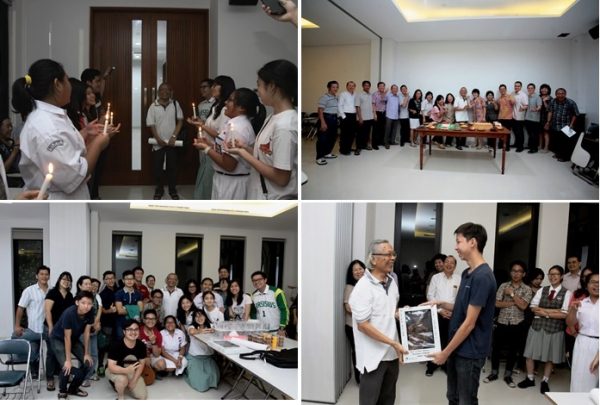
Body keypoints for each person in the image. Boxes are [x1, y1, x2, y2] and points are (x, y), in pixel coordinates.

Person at [12, 59, 118, 199]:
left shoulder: (54, 116)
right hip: (58, 207)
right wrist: (99, 143)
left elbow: (65, 149)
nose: (71, 86)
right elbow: (73, 174)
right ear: (57, 84)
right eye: (67, 80)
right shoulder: (46, 126)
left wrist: (84, 133)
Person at [427, 223, 497, 405]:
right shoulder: (467, 273)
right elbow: (460, 308)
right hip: (457, 347)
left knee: (466, 400)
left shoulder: (483, 277)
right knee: (453, 397)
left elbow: (469, 323)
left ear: (472, 242)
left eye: (459, 242)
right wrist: (440, 303)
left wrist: (445, 352)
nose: (456, 247)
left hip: (470, 352)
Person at [225, 60, 297, 199]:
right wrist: (245, 148)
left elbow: (281, 178)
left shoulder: (285, 126)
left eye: (259, 85)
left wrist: (242, 154)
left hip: (275, 199)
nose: (257, 90)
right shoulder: (273, 117)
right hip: (260, 193)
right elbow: (268, 158)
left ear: (272, 86)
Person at [348, 240, 407, 405]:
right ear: (373, 259)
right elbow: (363, 325)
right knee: (369, 401)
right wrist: (393, 343)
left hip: (392, 355)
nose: (392, 258)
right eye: (387, 254)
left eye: (393, 254)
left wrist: (402, 314)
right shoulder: (363, 287)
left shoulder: (392, 282)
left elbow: (388, 312)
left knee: (388, 400)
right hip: (373, 358)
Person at [193, 88, 265, 199]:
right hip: (225, 180)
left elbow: (229, 165)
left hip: (233, 183)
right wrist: (211, 145)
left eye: (230, 100)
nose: (226, 102)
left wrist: (207, 149)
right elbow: (225, 150)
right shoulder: (232, 124)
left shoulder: (238, 128)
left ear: (241, 108)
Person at [518, 265, 572, 394]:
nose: (553, 277)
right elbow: (533, 307)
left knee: (550, 356)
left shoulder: (567, 293)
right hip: (537, 326)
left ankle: (545, 381)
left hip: (555, 329)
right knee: (529, 354)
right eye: (550, 274)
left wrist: (545, 312)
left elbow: (564, 314)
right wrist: (555, 311)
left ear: (562, 276)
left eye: (556, 274)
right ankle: (530, 378)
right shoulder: (542, 290)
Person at [484, 260, 533, 388]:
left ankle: (508, 375)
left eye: (519, 271)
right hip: (502, 321)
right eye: (513, 271)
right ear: (510, 272)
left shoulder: (527, 289)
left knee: (513, 350)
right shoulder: (503, 286)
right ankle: (494, 373)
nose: (516, 274)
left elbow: (523, 306)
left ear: (524, 274)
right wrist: (513, 302)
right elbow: (496, 303)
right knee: (496, 349)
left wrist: (511, 294)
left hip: (517, 323)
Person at [189, 75, 235, 199]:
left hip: (216, 150)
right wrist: (200, 123)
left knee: (208, 182)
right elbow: (210, 126)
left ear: (224, 88)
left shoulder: (226, 109)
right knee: (204, 180)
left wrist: (202, 125)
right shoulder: (216, 106)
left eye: (215, 85)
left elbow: (221, 135)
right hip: (208, 147)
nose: (212, 88)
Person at [49, 290, 95, 399]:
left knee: (88, 363)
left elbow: (87, 332)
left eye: (89, 303)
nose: (86, 306)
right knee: (66, 366)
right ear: (77, 302)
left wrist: (87, 353)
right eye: (83, 303)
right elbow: (66, 337)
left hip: (73, 339)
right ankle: (62, 391)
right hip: (58, 339)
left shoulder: (91, 312)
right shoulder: (69, 313)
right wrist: (68, 360)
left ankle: (73, 388)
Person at [146, 82, 183, 200]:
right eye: (162, 89)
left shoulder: (175, 104)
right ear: (158, 92)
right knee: (157, 168)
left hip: (172, 143)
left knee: (173, 167)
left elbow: (180, 121)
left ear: (171, 92)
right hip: (158, 143)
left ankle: (172, 190)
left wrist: (174, 137)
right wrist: (157, 138)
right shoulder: (153, 106)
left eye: (167, 89)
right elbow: (151, 124)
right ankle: (159, 190)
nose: (165, 92)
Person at [12, 265, 50, 380]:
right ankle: (34, 372)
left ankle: (51, 372)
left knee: (52, 350)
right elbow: (20, 308)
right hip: (35, 328)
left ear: (49, 276)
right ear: (36, 276)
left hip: (49, 327)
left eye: (46, 274)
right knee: (33, 349)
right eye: (41, 274)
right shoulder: (29, 290)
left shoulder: (53, 290)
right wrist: (17, 325)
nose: (44, 276)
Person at [425, 255, 460, 377]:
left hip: (452, 314)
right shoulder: (436, 278)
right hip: (437, 313)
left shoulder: (459, 279)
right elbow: (430, 295)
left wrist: (453, 311)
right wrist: (440, 310)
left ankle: (446, 365)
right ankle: (431, 365)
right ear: (443, 264)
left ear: (455, 266)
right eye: (447, 262)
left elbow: (460, 299)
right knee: (435, 340)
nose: (449, 264)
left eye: (452, 263)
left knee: (449, 340)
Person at [566, 271, 599, 392]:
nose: (597, 285)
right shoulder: (581, 303)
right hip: (583, 342)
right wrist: (573, 311)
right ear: (586, 285)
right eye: (594, 282)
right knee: (579, 378)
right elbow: (570, 323)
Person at [44, 271, 74, 391]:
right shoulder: (52, 293)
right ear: (59, 280)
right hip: (51, 327)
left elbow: (71, 312)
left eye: (68, 280)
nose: (66, 282)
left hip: (64, 328)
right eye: (64, 279)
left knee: (61, 351)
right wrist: (51, 327)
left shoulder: (70, 295)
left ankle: (63, 373)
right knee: (51, 352)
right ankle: (50, 378)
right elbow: (47, 311)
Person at [106, 319, 149, 400]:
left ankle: (126, 383)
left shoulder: (141, 345)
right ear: (124, 332)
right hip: (115, 370)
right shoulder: (115, 345)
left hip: (132, 371)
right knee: (122, 380)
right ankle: (120, 397)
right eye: (129, 329)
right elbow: (111, 367)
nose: (133, 332)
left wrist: (134, 380)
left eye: (136, 329)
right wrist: (126, 371)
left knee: (142, 396)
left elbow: (142, 363)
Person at [185, 309, 220, 392]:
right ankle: (188, 370)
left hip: (208, 358)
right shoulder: (192, 326)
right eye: (196, 316)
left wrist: (215, 332)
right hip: (195, 357)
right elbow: (192, 332)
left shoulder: (211, 326)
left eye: (201, 315)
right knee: (201, 385)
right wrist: (200, 331)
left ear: (205, 316)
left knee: (214, 380)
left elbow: (219, 333)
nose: (199, 318)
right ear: (194, 318)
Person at [75, 276, 101, 387]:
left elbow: (98, 310)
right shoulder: (77, 298)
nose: (89, 286)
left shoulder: (94, 296)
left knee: (94, 354)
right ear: (80, 285)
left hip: (93, 328)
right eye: (86, 284)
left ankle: (89, 374)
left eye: (90, 284)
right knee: (85, 354)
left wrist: (97, 323)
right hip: (82, 331)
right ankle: (83, 377)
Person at [343, 259, 366, 384]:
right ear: (351, 273)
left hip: (366, 326)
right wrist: (366, 311)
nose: (358, 271)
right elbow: (348, 308)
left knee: (365, 351)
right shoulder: (350, 287)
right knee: (357, 352)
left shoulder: (368, 285)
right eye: (355, 270)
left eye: (360, 268)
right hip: (352, 327)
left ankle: (366, 376)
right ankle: (359, 378)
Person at [193, 78, 216, 199]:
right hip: (202, 137)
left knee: (210, 168)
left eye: (205, 87)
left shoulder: (217, 104)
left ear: (212, 88)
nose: (202, 90)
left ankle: (208, 195)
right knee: (203, 166)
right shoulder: (201, 104)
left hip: (212, 139)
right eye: (201, 87)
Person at [545, 88, 579, 162]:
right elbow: (550, 112)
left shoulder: (571, 102)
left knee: (567, 142)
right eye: (558, 93)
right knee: (557, 141)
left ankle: (566, 157)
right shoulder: (553, 101)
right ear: (556, 94)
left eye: (562, 93)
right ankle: (558, 154)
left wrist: (571, 124)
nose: (560, 95)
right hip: (555, 125)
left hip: (567, 126)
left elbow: (575, 114)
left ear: (565, 94)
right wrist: (548, 122)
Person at [250, 271, 289, 335]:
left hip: (276, 330)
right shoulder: (253, 295)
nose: (256, 282)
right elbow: (253, 313)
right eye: (254, 280)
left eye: (259, 279)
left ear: (265, 280)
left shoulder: (277, 292)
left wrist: (282, 328)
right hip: (261, 331)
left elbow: (284, 310)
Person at [98, 271, 118, 377]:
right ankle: (100, 366)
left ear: (115, 279)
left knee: (114, 346)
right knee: (103, 346)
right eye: (107, 278)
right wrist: (109, 311)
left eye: (112, 278)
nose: (110, 280)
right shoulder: (102, 294)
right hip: (107, 324)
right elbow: (101, 310)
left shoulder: (119, 290)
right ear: (104, 280)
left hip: (118, 323)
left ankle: (109, 367)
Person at [114, 270, 144, 339]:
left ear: (134, 280)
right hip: (121, 322)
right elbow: (120, 311)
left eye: (131, 279)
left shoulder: (138, 293)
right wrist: (135, 308)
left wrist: (125, 307)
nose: (129, 281)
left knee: (135, 341)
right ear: (123, 280)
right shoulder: (118, 293)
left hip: (134, 323)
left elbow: (140, 309)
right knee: (121, 341)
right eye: (127, 279)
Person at [315, 80, 339, 165]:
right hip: (326, 118)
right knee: (322, 139)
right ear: (329, 88)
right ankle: (319, 157)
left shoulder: (336, 97)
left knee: (332, 137)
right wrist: (322, 122)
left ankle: (327, 153)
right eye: (333, 87)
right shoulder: (324, 97)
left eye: (336, 87)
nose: (335, 89)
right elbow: (320, 110)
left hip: (334, 119)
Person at [139, 309, 167, 374]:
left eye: (153, 319)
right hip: (139, 354)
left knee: (162, 365)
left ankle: (152, 370)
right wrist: (145, 357)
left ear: (156, 320)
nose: (150, 321)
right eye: (148, 318)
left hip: (152, 354)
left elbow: (157, 354)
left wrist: (153, 342)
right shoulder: (138, 330)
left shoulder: (158, 334)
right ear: (144, 320)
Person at [0, 116, 21, 187]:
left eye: (11, 126)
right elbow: (3, 169)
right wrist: (15, 151)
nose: (11, 129)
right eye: (8, 126)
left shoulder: (10, 142)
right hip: (8, 184)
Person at [337, 81, 357, 156]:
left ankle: (348, 148)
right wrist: (343, 117)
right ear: (347, 86)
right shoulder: (343, 94)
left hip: (353, 115)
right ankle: (343, 150)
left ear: (354, 87)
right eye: (349, 85)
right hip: (345, 115)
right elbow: (339, 105)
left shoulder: (355, 94)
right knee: (344, 134)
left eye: (353, 86)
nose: (351, 87)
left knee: (351, 133)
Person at [355, 80, 375, 154]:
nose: (367, 87)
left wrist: (374, 115)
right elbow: (357, 107)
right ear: (363, 86)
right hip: (362, 118)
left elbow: (372, 105)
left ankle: (364, 145)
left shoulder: (371, 95)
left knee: (366, 133)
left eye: (368, 85)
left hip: (369, 117)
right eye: (365, 85)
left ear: (370, 86)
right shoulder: (359, 95)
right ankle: (358, 148)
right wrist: (360, 118)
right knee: (360, 134)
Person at [511, 81, 529, 152]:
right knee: (515, 131)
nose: (516, 87)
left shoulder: (523, 95)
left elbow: (526, 105)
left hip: (520, 117)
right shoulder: (513, 94)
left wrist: (522, 108)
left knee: (520, 132)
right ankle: (516, 144)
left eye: (518, 86)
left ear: (521, 87)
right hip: (513, 116)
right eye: (515, 86)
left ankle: (520, 146)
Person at [525, 83, 542, 154]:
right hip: (527, 118)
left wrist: (536, 109)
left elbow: (540, 106)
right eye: (528, 88)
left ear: (534, 89)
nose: (530, 89)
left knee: (534, 134)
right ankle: (530, 146)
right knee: (530, 134)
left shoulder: (538, 97)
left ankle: (534, 148)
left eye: (531, 88)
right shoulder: (527, 96)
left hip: (535, 119)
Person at [497, 84, 515, 151]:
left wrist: (510, 99)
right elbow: (498, 105)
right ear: (499, 90)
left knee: (507, 133)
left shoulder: (510, 96)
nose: (502, 90)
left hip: (508, 117)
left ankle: (507, 147)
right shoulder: (499, 98)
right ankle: (501, 145)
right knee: (500, 132)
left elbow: (514, 103)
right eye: (501, 89)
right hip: (501, 117)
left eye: (503, 89)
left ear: (506, 89)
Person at [371, 82, 387, 150]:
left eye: (383, 86)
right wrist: (374, 114)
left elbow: (384, 101)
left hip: (383, 113)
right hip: (377, 112)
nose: (382, 87)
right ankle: (374, 144)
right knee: (375, 129)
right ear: (378, 87)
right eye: (380, 86)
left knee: (382, 128)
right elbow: (373, 104)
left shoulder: (385, 94)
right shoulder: (375, 94)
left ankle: (380, 142)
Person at [538, 84, 552, 153]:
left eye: (545, 88)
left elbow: (548, 109)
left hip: (546, 118)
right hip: (538, 117)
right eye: (542, 88)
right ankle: (540, 146)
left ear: (548, 90)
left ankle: (546, 148)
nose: (544, 90)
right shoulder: (539, 97)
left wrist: (544, 101)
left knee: (546, 133)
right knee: (540, 132)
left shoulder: (550, 98)